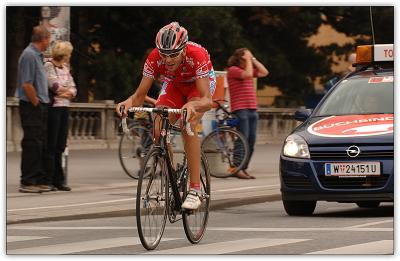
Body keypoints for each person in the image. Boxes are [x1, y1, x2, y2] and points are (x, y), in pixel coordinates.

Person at [116, 22, 215, 210]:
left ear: (184, 49)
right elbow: (138, 97)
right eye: (164, 55)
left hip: (198, 86)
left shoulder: (197, 55)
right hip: (175, 85)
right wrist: (126, 103)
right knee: (157, 124)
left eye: (174, 55)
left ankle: (195, 190)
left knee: (188, 124)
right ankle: (172, 177)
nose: (168, 60)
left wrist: (192, 105)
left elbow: (207, 100)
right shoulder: (154, 58)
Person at [15, 25, 52, 193]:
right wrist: (36, 102)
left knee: (39, 143)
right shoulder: (29, 55)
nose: (49, 42)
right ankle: (28, 181)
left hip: (39, 105)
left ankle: (37, 179)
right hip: (31, 106)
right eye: (48, 39)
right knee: (32, 143)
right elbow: (27, 84)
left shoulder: (37, 55)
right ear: (43, 39)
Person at [226, 48, 269, 179]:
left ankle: (243, 168)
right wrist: (249, 59)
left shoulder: (247, 70)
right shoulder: (233, 70)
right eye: (246, 59)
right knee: (242, 140)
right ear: (239, 60)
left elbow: (264, 72)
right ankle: (236, 168)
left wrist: (253, 58)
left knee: (251, 141)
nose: (248, 61)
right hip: (240, 109)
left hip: (251, 109)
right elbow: (248, 74)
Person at [44, 41, 77, 191]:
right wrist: (66, 92)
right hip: (54, 108)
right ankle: (48, 179)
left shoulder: (65, 68)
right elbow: (54, 86)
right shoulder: (49, 66)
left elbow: (74, 88)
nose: (70, 56)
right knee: (51, 144)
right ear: (63, 54)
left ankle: (59, 180)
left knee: (61, 145)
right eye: (69, 53)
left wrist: (67, 92)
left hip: (64, 108)